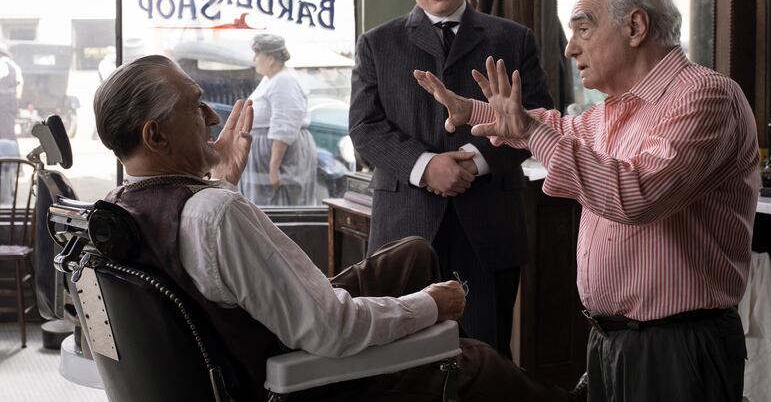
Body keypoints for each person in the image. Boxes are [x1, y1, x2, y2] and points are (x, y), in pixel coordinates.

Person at [93, 55, 568, 402]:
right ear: (155, 135)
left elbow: (207, 269)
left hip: (243, 345)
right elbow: (331, 329)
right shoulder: (214, 213)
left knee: (414, 254)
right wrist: (429, 306)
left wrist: (222, 182)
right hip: (290, 373)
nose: (212, 118)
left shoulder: (119, 210)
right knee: (473, 359)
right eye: (196, 107)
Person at [414, 0, 760, 402]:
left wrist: (531, 131)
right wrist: (476, 110)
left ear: (635, 26)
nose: (569, 46)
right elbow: (556, 127)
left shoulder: (705, 97)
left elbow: (635, 196)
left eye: (582, 28)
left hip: (677, 346)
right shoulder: (613, 110)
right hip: (614, 340)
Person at [350, 0, 553, 357]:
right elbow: (364, 128)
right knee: (403, 363)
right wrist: (426, 167)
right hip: (406, 230)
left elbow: (540, 116)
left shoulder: (512, 38)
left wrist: (477, 163)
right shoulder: (378, 44)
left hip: (489, 224)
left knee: (486, 359)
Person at [239, 33, 317, 206]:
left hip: (280, 156)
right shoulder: (271, 78)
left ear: (271, 59)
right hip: (265, 153)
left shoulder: (285, 80)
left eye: (258, 55)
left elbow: (284, 126)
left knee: (280, 202)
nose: (254, 59)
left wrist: (274, 168)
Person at [0, 42, 23, 204]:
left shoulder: (2, 64)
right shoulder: (14, 65)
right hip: (11, 102)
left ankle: (10, 167)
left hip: (3, 103)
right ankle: (17, 167)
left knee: (5, 137)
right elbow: (20, 84)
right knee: (10, 136)